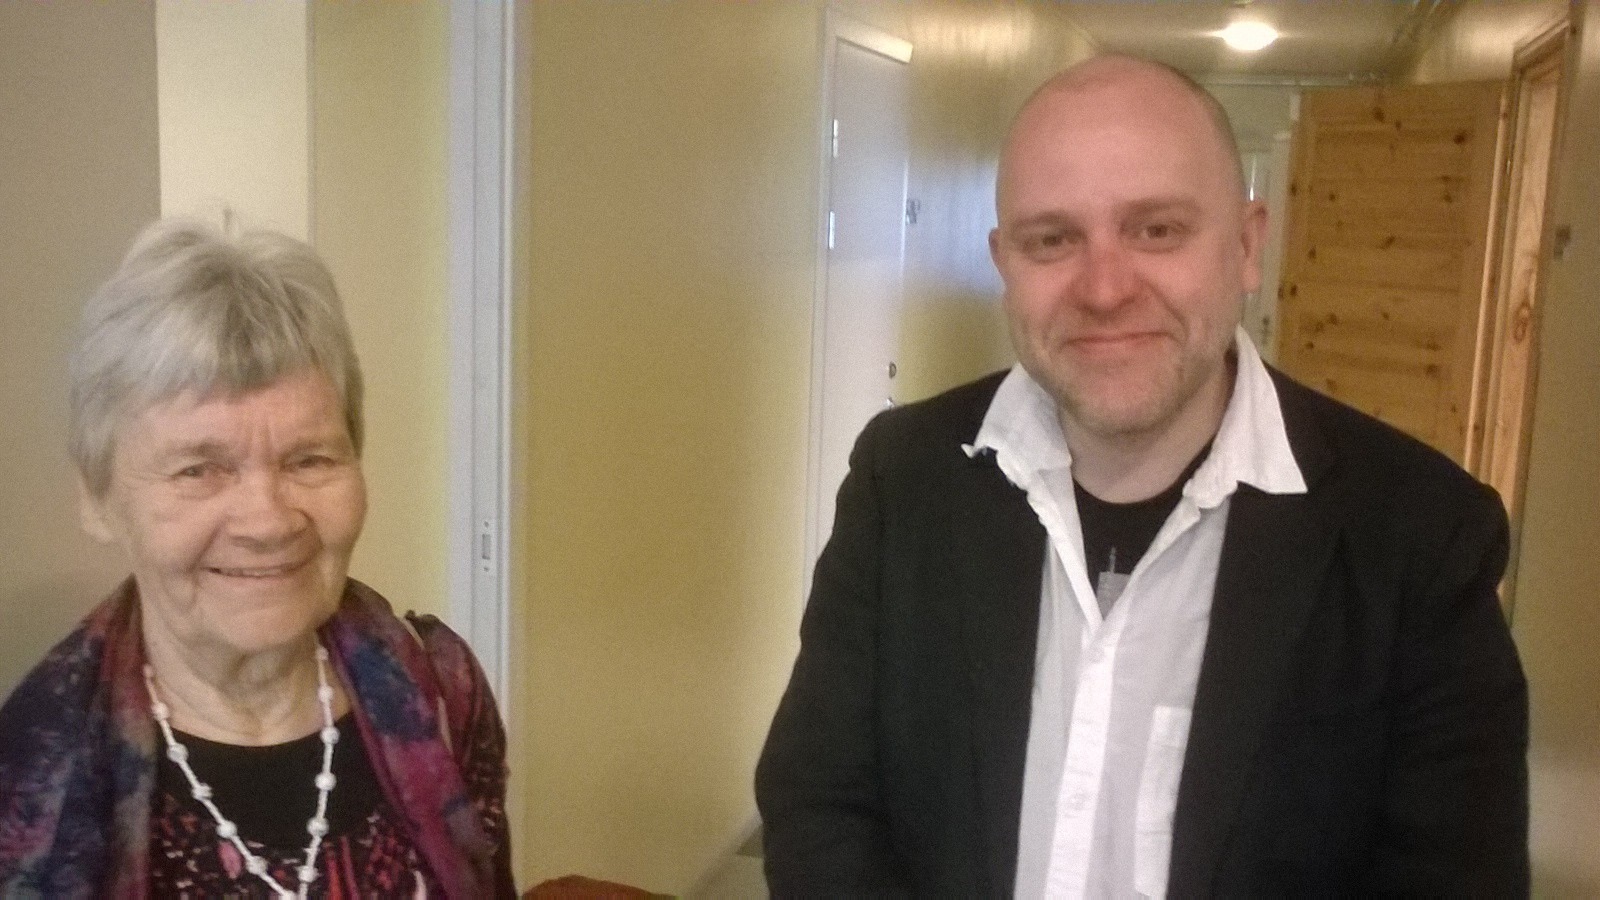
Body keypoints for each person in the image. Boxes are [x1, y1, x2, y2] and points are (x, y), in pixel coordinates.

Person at [756, 55, 1527, 897]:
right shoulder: (902, 477)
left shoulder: (1421, 535)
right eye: (1053, 240)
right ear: (1004, 263)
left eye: (1157, 229)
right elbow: (818, 799)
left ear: (1247, 246)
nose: (1105, 288)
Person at [0, 218, 516, 897]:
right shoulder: (30, 776)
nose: (269, 522)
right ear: (98, 499)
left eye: (310, 459)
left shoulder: (442, 690)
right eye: (198, 469)